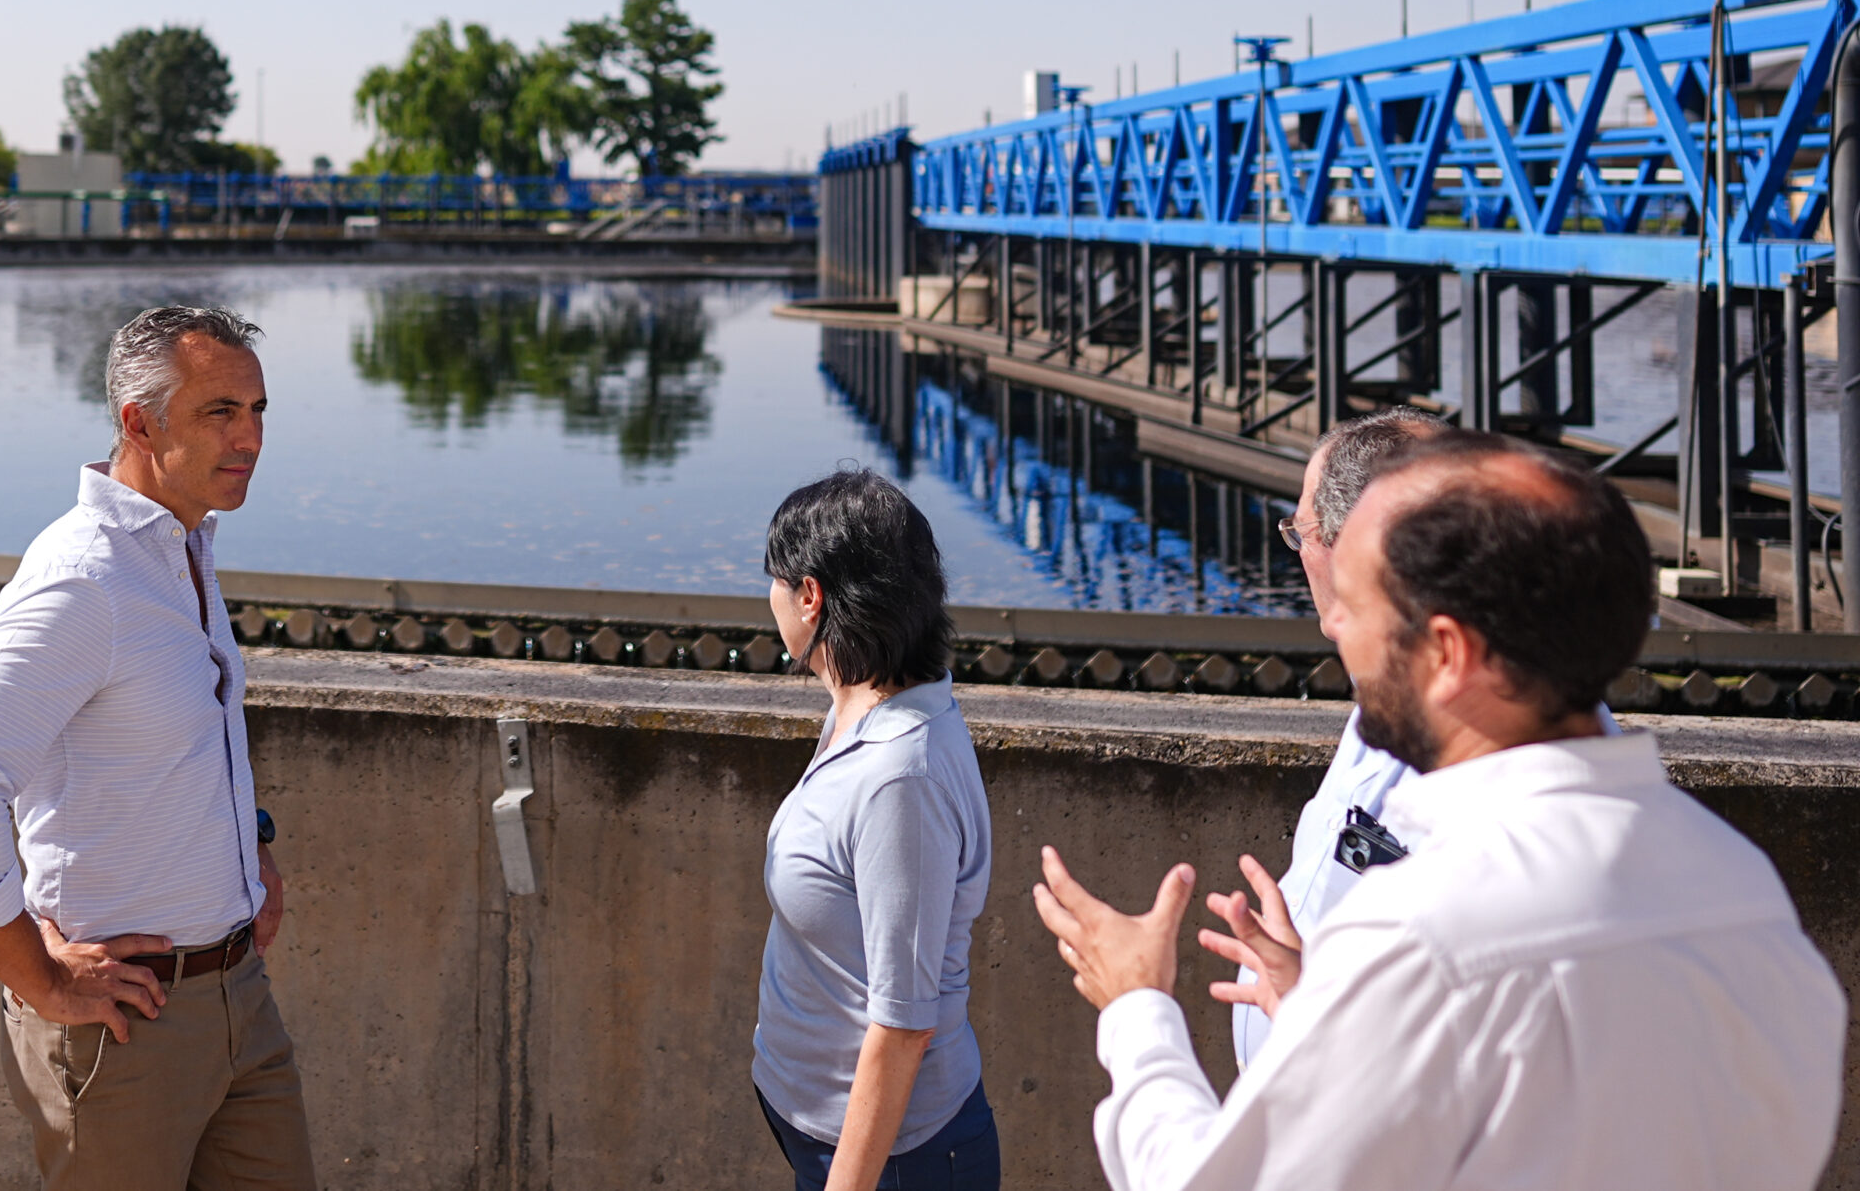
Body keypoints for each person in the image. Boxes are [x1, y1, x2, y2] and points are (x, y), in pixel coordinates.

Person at [1032, 432, 1845, 1191]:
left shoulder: (1423, 938)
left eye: (1357, 606)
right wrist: (1338, 1019)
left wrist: (1138, 1008)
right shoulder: (1744, 889)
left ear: (1448, 655)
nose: (1337, 628)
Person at [0, 306, 311, 1191]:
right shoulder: (87, 580)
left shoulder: (181, 543)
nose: (251, 438)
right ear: (138, 422)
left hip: (239, 998)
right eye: (220, 412)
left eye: (258, 410)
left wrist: (255, 840)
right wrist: (37, 975)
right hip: (126, 1029)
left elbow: (179, 739)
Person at [753, 470, 998, 1191]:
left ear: (810, 596)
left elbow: (903, 1023)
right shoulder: (861, 709)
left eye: (775, 579)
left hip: (894, 1163)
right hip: (826, 1133)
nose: (768, 599)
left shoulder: (901, 779)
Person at [1224, 407, 1443, 1067]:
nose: (1301, 556)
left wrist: (1137, 1013)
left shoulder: (1463, 746)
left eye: (1301, 533)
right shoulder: (1377, 700)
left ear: (1351, 553)